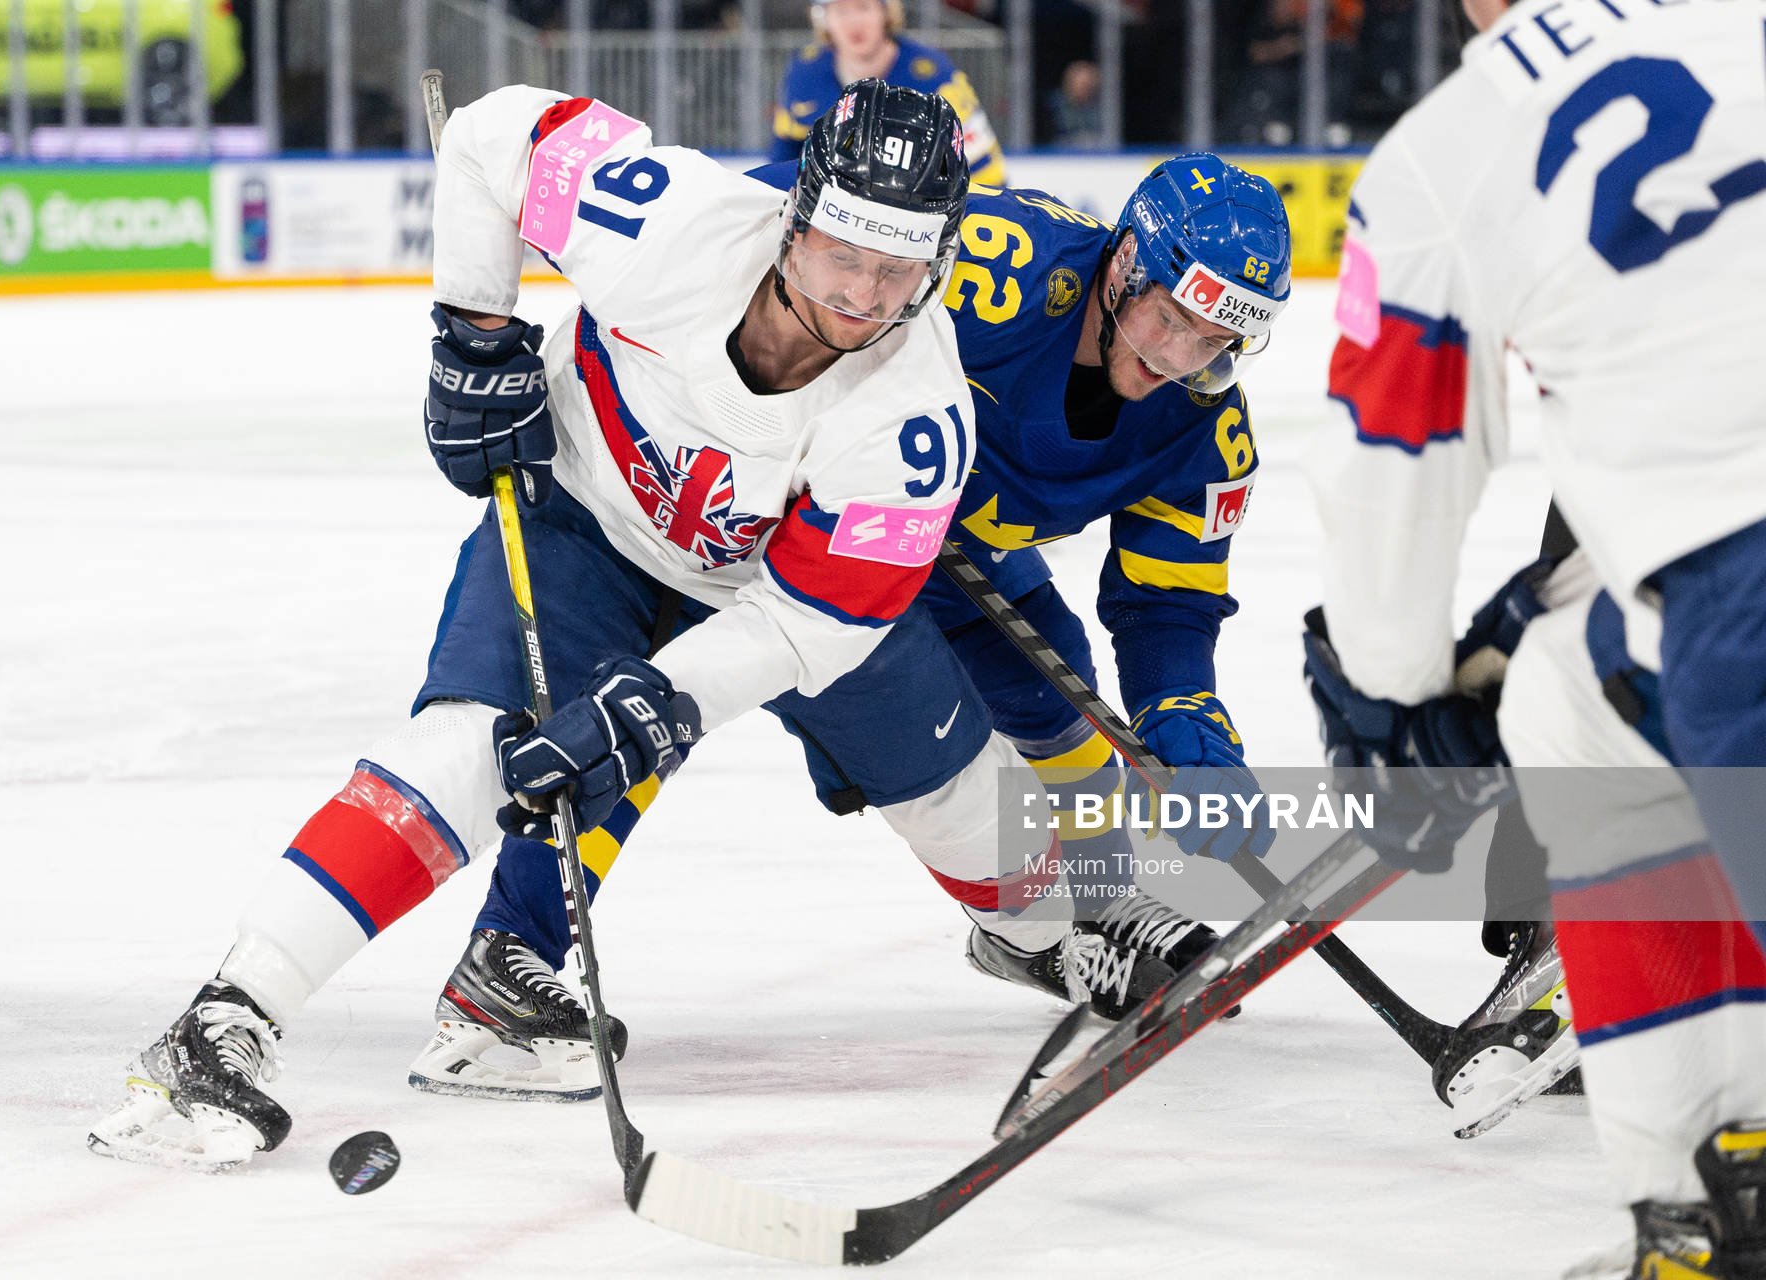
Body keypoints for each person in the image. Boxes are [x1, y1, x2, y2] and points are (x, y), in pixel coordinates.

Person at [87, 79, 1052, 1168]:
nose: (863, 296)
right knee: (472, 746)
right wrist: (474, 330)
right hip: (581, 522)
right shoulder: (669, 222)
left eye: (897, 269)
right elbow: (491, 135)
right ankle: (228, 1015)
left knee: (968, 799)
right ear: (796, 215)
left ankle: (1085, 925)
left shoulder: (917, 416)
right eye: (843, 254)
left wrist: (673, 696)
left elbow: (813, 623)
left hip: (766, 595)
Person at [417, 152, 1295, 1101]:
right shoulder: (1004, 266)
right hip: (787, 532)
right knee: (641, 715)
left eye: (1212, 341)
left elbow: (1168, 600)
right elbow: (788, 220)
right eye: (1170, 317)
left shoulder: (1209, 428)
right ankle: (515, 947)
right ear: (1125, 264)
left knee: (1067, 711)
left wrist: (1181, 706)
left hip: (955, 563)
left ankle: (1082, 918)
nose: (1176, 357)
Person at [1301, 0, 1766, 1270]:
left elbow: (1401, 457)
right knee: (1569, 689)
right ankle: (1717, 1195)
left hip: (1746, 595)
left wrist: (1391, 693)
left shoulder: (1450, 150)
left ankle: (1709, 1208)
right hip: (1705, 591)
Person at [772, 0, 1006, 186]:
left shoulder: (934, 77)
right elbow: (785, 154)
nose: (854, 22)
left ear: (886, 12)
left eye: (863, 7)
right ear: (823, 19)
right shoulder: (804, 72)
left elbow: (983, 166)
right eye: (841, 11)